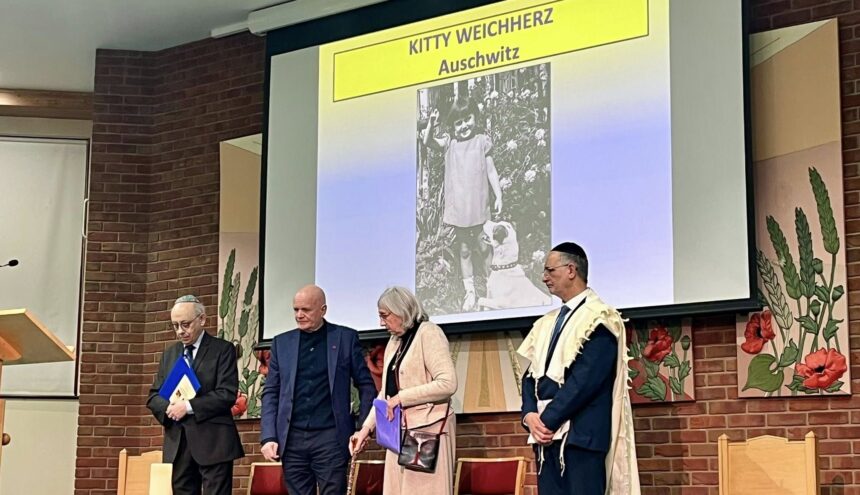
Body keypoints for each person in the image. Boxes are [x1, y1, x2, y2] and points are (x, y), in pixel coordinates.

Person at [518, 243, 640, 494]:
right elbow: (530, 376)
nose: (544, 277)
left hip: (580, 438)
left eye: (550, 270)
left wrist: (547, 420)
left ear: (571, 270)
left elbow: (585, 380)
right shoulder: (546, 322)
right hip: (546, 439)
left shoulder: (600, 317)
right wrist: (529, 415)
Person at [260, 285, 376, 495]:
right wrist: (269, 436)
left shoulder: (345, 338)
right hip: (292, 439)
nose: (299, 315)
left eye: (306, 310)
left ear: (323, 310)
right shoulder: (281, 343)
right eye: (296, 310)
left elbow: (366, 385)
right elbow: (271, 392)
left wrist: (362, 428)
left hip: (331, 438)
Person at [350, 286, 457, 495]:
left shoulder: (429, 332)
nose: (381, 323)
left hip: (426, 430)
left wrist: (401, 398)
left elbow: (448, 383)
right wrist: (365, 430)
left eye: (384, 316)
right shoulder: (395, 340)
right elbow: (385, 394)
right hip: (397, 431)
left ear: (401, 310)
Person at [147, 295, 244, 495]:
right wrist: (169, 408)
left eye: (185, 324)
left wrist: (188, 406)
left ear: (202, 319)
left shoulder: (222, 350)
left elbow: (226, 394)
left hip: (214, 442)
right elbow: (154, 396)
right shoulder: (170, 354)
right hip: (179, 444)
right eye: (175, 326)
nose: (180, 331)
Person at [424, 97, 503, 311]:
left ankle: (492, 289)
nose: (463, 126)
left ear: (474, 118)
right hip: (459, 208)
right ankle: (470, 293)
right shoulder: (450, 143)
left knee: (485, 248)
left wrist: (499, 195)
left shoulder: (481, 141)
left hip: (479, 205)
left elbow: (491, 171)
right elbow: (427, 142)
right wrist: (432, 122)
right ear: (452, 126)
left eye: (467, 119)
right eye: (458, 123)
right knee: (465, 250)